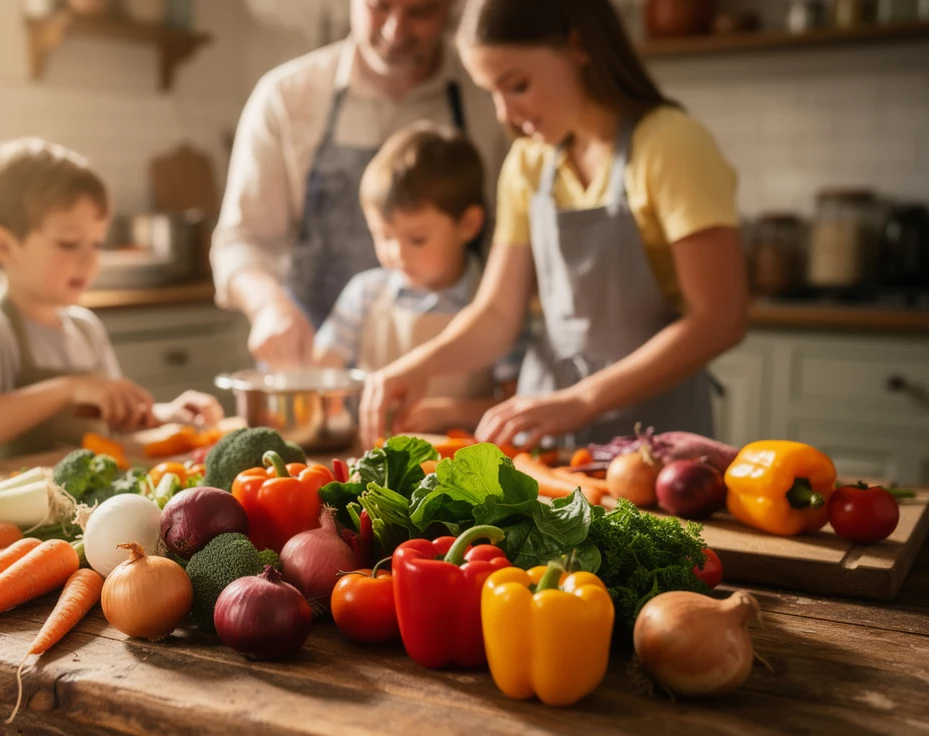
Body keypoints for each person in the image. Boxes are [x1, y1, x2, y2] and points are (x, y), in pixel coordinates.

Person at [360, 0, 748, 449]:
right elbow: (498, 314)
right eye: (492, 92)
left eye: (518, 85)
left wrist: (582, 400)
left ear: (579, 47)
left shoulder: (670, 144)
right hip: (546, 430)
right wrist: (417, 366)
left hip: (655, 434)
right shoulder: (529, 163)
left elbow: (720, 319)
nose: (505, 115)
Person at [212, 0, 508, 369]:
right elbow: (242, 240)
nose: (394, 31)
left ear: (454, 8)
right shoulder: (287, 96)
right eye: (379, 7)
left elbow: (514, 247)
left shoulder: (492, 98)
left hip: (454, 383)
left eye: (421, 12)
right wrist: (269, 306)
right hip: (313, 370)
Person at [0, 138, 223, 469]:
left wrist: (164, 415)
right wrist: (68, 389)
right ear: (3, 246)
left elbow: (109, 420)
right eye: (69, 244)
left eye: (97, 243)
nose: (89, 261)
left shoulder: (86, 328)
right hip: (2, 514)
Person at [312, 121, 521, 432]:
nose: (396, 253)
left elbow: (516, 404)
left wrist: (448, 413)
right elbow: (320, 375)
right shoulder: (364, 294)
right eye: (382, 236)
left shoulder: (498, 301)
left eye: (417, 239)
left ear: (468, 224)